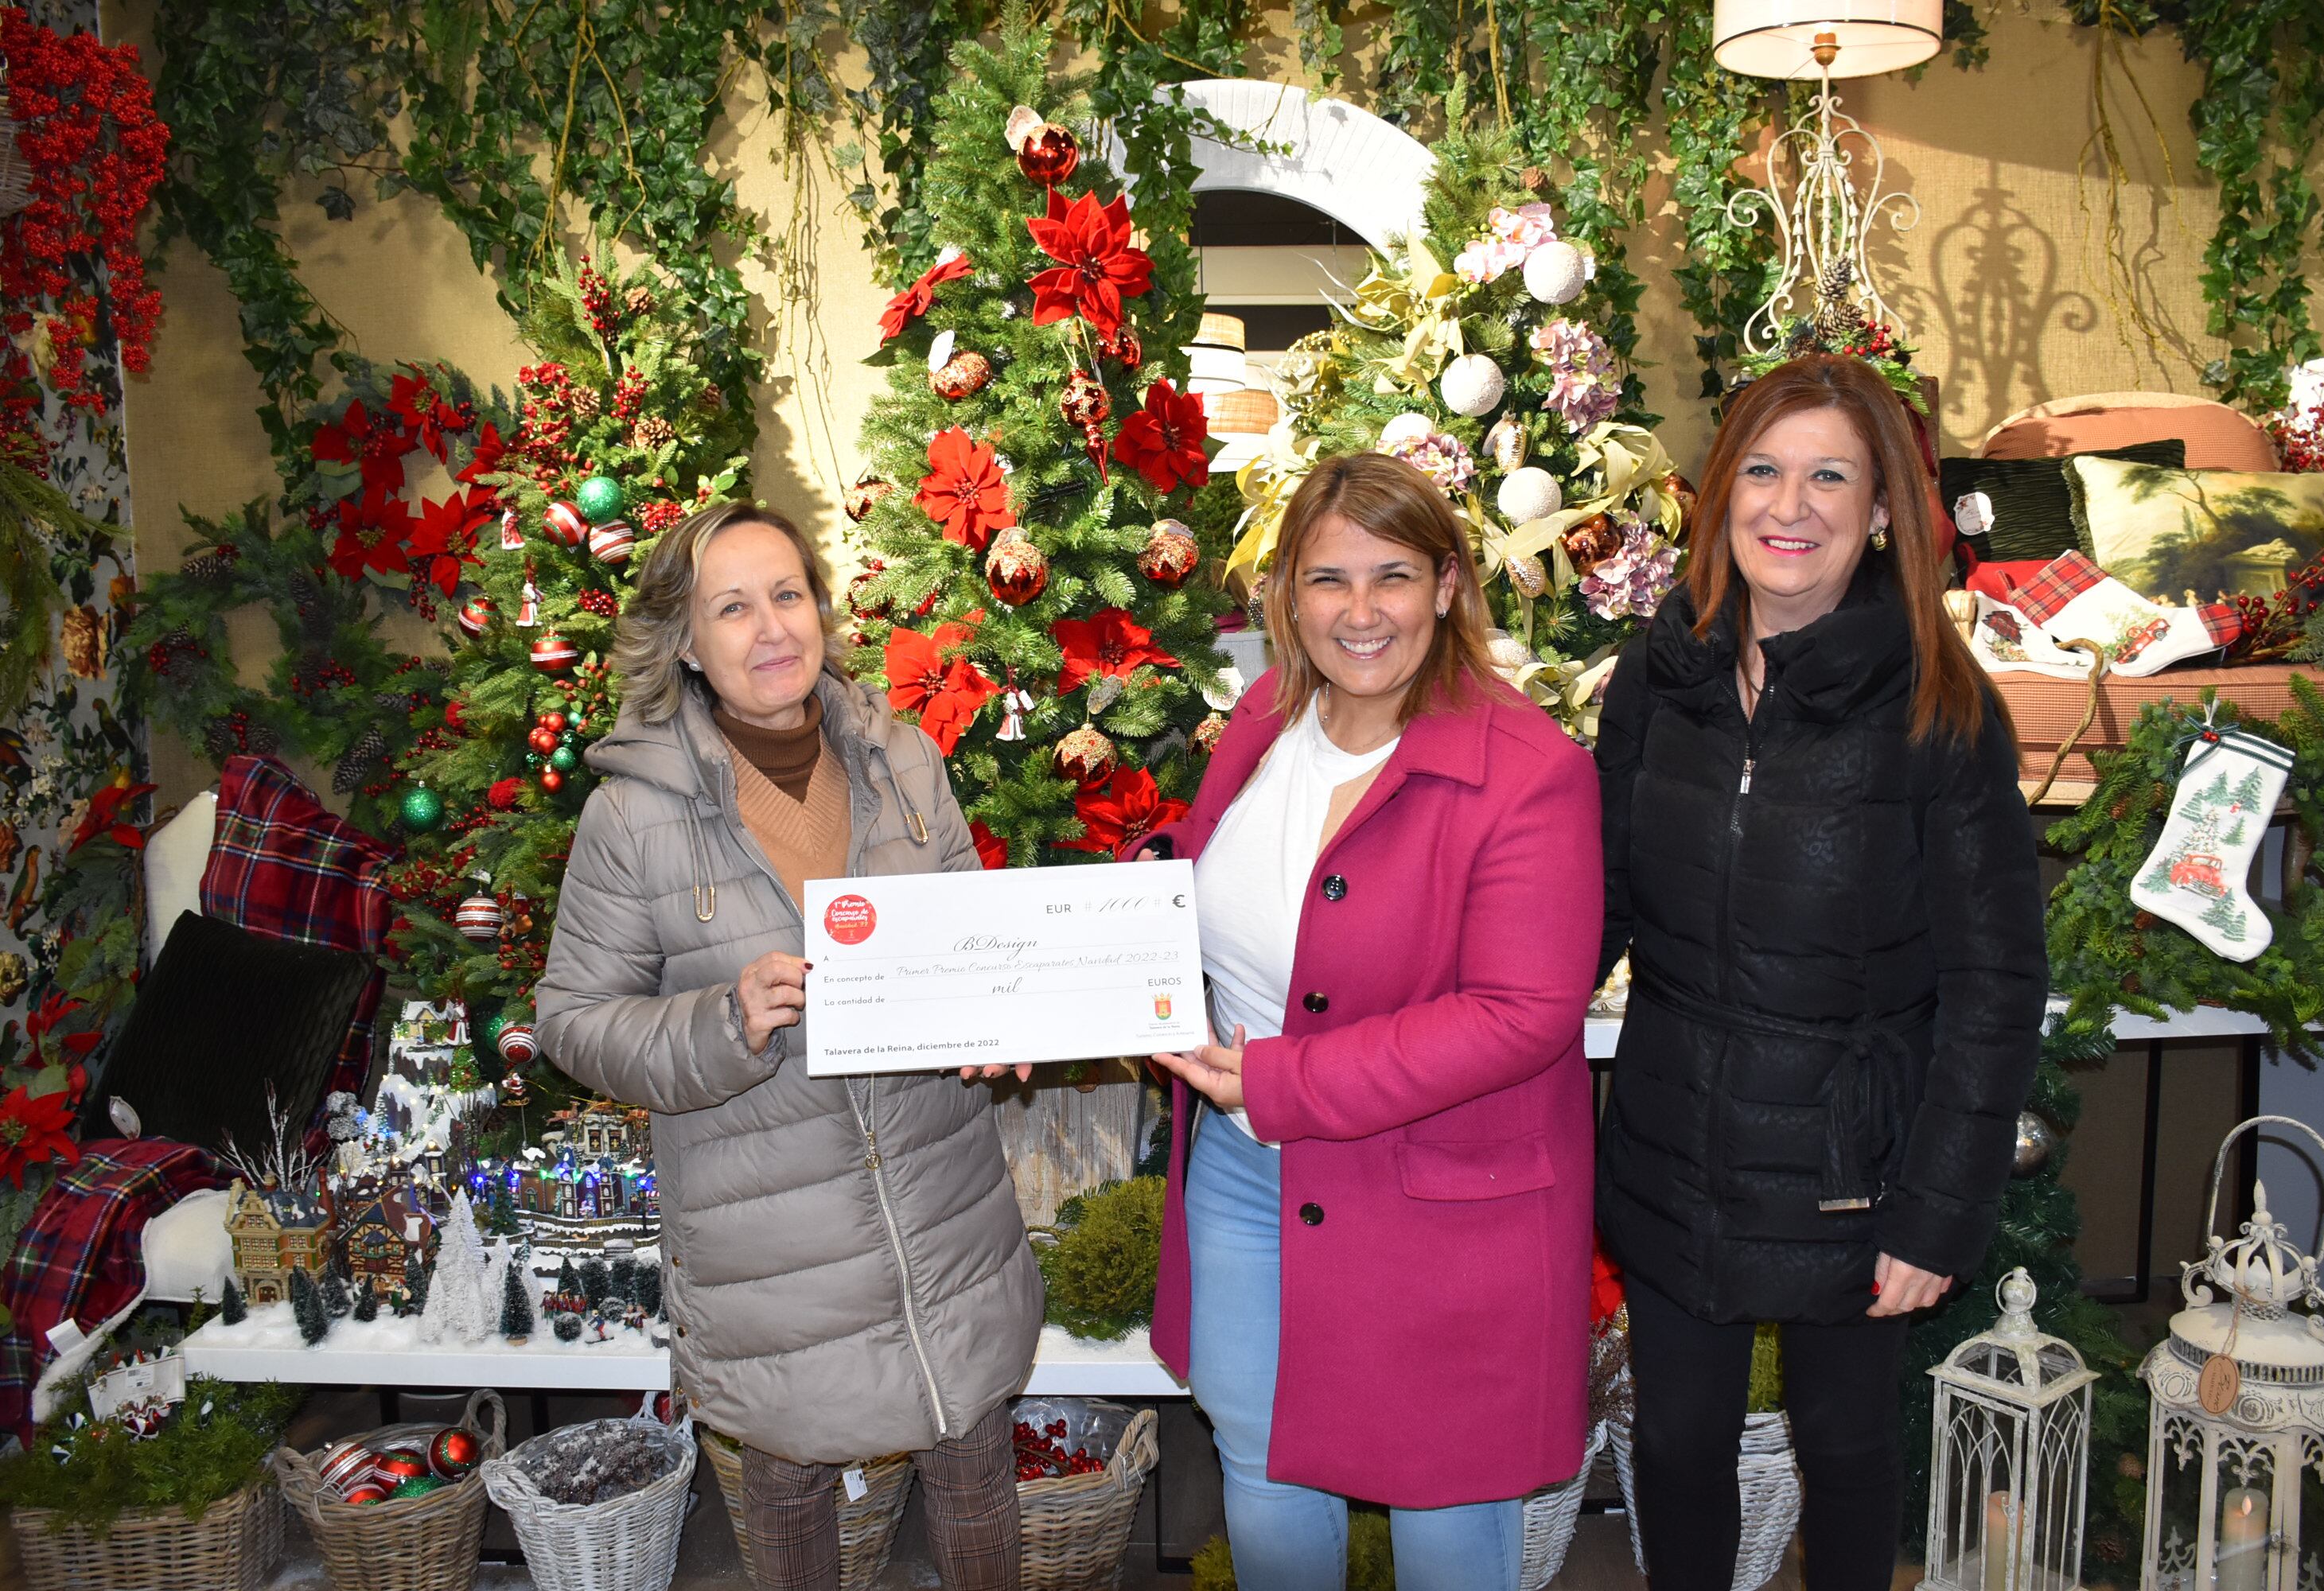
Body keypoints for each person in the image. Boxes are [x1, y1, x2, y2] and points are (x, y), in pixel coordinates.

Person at [1593, 355, 2048, 1590]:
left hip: (1855, 1163)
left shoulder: (1938, 707)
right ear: (1721, 492)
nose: (1788, 507)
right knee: (1679, 1444)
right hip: (1677, 1136)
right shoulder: (1661, 676)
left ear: (1885, 512)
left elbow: (1998, 981)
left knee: (1844, 1447)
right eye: (1763, 470)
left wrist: (1939, 1208)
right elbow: (1598, 907)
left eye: (1829, 477)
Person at [535, 501, 1041, 1591]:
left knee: (973, 1463)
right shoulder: (632, 817)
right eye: (732, 606)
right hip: (771, 1242)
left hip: (941, 1205)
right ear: (684, 641)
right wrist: (724, 1020)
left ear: (819, 607)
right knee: (790, 1488)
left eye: (787, 594)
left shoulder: (903, 761)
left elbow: (971, 940)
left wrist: (1002, 1025)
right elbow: (575, 1020)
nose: (770, 628)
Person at [1139, 452, 1602, 1591]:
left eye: (1391, 576)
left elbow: (1522, 1015)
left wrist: (1287, 1083)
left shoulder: (1529, 772)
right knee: (1266, 1468)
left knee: (1445, 1506)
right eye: (1327, 578)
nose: (1360, 612)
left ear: (1447, 587)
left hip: (1438, 1198)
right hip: (1248, 1180)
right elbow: (1198, 875)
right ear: (1288, 594)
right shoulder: (1266, 716)